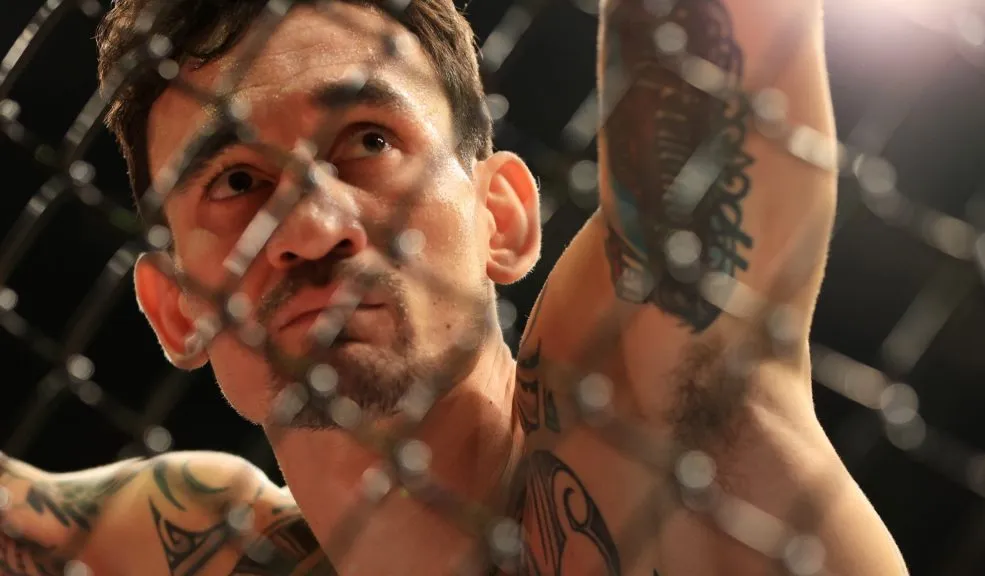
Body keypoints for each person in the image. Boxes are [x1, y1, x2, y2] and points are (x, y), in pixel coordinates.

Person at [0, 0, 910, 574]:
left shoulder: (645, 407)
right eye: (236, 183)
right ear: (177, 308)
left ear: (502, 218)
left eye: (367, 141)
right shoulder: (194, 541)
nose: (312, 227)